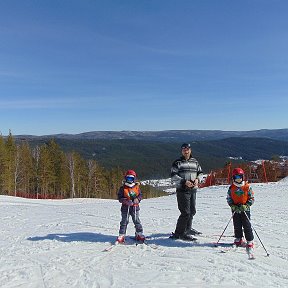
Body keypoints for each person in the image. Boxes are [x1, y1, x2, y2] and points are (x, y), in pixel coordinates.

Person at [170, 143, 204, 241]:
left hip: (193, 190)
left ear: (190, 150)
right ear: (182, 151)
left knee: (192, 211)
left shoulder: (195, 162)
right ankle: (180, 233)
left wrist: (198, 179)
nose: (186, 151)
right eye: (184, 149)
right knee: (185, 212)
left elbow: (200, 172)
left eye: (188, 149)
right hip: (182, 190)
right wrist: (184, 182)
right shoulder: (177, 162)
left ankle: (188, 229)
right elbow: (173, 176)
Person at [226, 167, 254, 251]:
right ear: (233, 178)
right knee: (237, 224)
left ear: (243, 177)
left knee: (247, 225)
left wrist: (247, 205)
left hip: (245, 209)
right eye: (236, 177)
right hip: (236, 209)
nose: (238, 179)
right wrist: (232, 205)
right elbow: (228, 198)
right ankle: (238, 238)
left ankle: (249, 240)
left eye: (240, 177)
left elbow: (251, 198)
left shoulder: (247, 187)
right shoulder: (231, 188)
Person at [116, 169, 145, 243]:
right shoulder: (123, 188)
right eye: (128, 178)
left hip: (135, 207)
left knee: (136, 221)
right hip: (125, 208)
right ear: (125, 178)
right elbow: (119, 197)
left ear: (134, 179)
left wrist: (137, 199)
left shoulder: (136, 187)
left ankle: (139, 233)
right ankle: (122, 234)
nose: (129, 180)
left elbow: (140, 195)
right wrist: (125, 201)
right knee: (124, 221)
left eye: (131, 178)